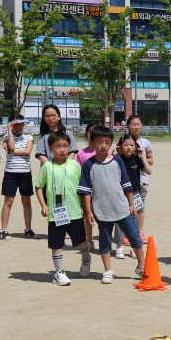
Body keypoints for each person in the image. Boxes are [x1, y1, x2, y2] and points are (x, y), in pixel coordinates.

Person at [78, 126, 145, 284]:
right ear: (92, 142)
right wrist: (88, 211)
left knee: (135, 237)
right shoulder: (88, 165)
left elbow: (127, 184)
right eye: (99, 142)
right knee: (105, 241)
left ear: (111, 144)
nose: (103, 145)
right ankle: (108, 270)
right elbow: (85, 191)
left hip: (122, 207)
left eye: (107, 142)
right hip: (102, 210)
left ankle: (142, 265)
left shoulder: (117, 160)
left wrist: (131, 205)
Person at [34, 130, 92, 286]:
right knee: (56, 244)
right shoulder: (46, 167)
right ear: (50, 148)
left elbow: (83, 188)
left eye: (65, 146)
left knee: (81, 243)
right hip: (56, 214)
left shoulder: (75, 166)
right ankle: (59, 273)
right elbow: (38, 187)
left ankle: (86, 259)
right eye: (57, 146)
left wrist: (84, 208)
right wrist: (44, 205)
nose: (62, 150)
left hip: (74, 213)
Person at [112, 134, 152, 259]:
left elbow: (149, 171)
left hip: (135, 194)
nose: (129, 148)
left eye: (131, 145)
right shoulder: (116, 160)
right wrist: (114, 154)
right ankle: (118, 246)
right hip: (120, 194)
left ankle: (134, 247)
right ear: (120, 146)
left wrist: (142, 157)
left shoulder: (137, 159)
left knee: (133, 222)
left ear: (136, 147)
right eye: (125, 145)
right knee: (119, 222)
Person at [0, 115, 35, 240]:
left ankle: (28, 228)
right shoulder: (6, 137)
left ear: (24, 125)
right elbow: (12, 147)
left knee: (26, 201)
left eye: (20, 124)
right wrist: (9, 131)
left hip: (25, 172)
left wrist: (11, 151)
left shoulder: (29, 137)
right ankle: (3, 230)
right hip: (10, 172)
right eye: (15, 125)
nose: (18, 127)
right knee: (8, 201)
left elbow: (27, 151)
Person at [126, 115, 153, 243]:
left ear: (142, 126)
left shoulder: (146, 143)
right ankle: (127, 232)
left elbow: (151, 160)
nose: (136, 127)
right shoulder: (123, 140)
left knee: (140, 206)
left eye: (138, 124)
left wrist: (140, 158)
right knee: (127, 206)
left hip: (142, 179)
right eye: (133, 124)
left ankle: (140, 231)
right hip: (127, 180)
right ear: (128, 126)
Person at [76, 122, 99, 250]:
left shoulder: (104, 152)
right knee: (88, 216)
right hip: (87, 191)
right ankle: (89, 240)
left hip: (101, 190)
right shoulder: (81, 154)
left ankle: (104, 240)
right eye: (91, 132)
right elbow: (78, 172)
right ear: (87, 135)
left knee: (103, 217)